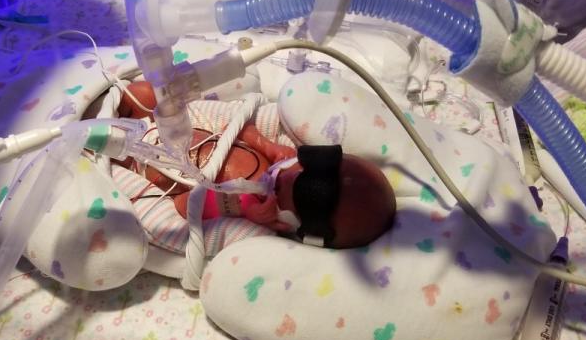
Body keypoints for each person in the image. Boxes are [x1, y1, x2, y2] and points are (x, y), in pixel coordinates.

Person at [116, 82, 396, 249]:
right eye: (308, 166)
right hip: (166, 130)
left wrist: (242, 207)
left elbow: (182, 207)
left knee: (108, 158)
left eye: (305, 195)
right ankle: (97, 104)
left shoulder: (255, 228)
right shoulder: (279, 157)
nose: (287, 178)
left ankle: (95, 149)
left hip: (141, 167)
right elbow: (234, 127)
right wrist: (265, 144)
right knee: (139, 93)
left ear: (297, 227)